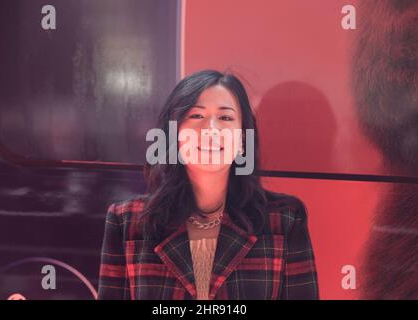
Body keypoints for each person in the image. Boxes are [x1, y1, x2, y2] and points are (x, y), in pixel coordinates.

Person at [98, 69, 319, 300]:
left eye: (225, 118)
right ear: (172, 134)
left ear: (243, 139)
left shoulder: (284, 219)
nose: (210, 130)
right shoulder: (127, 220)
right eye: (196, 116)